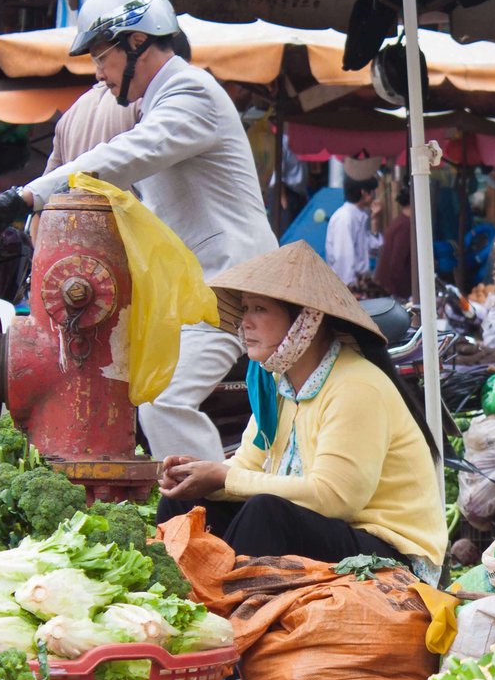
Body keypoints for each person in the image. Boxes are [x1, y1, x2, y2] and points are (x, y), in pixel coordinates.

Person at [0, 0, 278, 463]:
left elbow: (123, 156)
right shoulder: (158, 100)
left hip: (232, 284)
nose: (98, 73)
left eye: (100, 56)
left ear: (137, 42)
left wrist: (24, 196)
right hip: (203, 289)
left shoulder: (190, 93)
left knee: (163, 399)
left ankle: (215, 518)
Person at [156, 241, 447, 578]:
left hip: (391, 555)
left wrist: (225, 477)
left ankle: (225, 609)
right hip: (332, 532)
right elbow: (249, 464)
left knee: (267, 513)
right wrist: (199, 476)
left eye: (259, 309)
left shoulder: (355, 386)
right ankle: (184, 599)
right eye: (246, 308)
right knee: (184, 506)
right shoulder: (278, 386)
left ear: (304, 320)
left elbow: (334, 497)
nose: (245, 322)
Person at [325, 172, 385, 289]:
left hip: (359, 284)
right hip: (349, 288)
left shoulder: (358, 216)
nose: (375, 196)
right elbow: (343, 259)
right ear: (364, 193)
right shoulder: (345, 218)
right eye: (373, 191)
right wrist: (351, 290)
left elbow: (373, 250)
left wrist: (375, 221)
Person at [374, 187, 415, 301]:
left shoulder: (400, 221)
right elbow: (397, 262)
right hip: (392, 290)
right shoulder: (406, 226)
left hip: (388, 287)